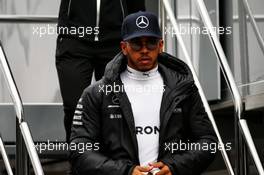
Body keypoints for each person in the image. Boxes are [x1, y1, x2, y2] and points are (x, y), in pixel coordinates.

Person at [70, 11, 217, 175]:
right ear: (124, 48)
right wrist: (127, 172)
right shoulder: (97, 93)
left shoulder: (184, 89)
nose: (145, 50)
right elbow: (79, 149)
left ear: (161, 45)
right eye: (136, 43)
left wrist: (174, 168)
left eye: (151, 43)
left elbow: (208, 143)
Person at [55, 0, 145, 142]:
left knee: (115, 107)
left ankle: (110, 161)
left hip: (115, 40)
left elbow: (137, 6)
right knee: (75, 106)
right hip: (74, 38)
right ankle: (78, 158)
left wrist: (139, 34)